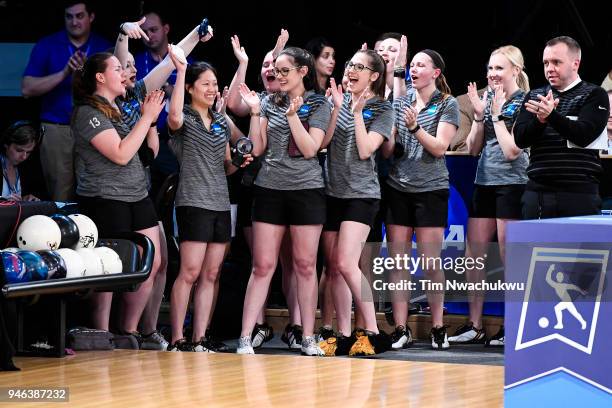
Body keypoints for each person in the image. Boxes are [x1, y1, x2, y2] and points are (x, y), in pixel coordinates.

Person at [111, 17, 213, 350]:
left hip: (142, 183)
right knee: (135, 260)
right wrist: (123, 34)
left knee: (161, 261)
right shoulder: (107, 102)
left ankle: (148, 329)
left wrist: (196, 34)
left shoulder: (138, 92)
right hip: (115, 188)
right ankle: (120, 329)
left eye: (130, 67)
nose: (130, 70)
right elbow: (121, 54)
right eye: (122, 67)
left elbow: (174, 57)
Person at [236, 47, 332, 356]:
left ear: (303, 71)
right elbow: (259, 147)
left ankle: (307, 336)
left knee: (305, 265)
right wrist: (253, 112)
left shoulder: (318, 103)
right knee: (263, 265)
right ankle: (245, 337)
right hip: (269, 189)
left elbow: (310, 149)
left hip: (306, 190)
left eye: (284, 71)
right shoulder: (268, 101)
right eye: (276, 71)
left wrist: (292, 116)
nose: (278, 76)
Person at [71, 52, 165, 343]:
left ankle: (129, 330)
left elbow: (147, 154)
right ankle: (101, 333)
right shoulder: (87, 113)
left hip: (137, 194)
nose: (124, 72)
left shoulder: (121, 108)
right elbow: (121, 154)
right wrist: (147, 117)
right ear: (101, 77)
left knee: (153, 262)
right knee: (109, 266)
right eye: (117, 68)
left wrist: (149, 122)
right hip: (105, 198)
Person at [166, 46, 252, 351]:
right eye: (205, 83)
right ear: (190, 88)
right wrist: (179, 72)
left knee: (212, 273)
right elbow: (173, 115)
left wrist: (240, 161)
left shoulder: (219, 120)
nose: (212, 89)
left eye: (214, 84)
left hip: (220, 203)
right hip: (192, 202)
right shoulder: (182, 118)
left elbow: (226, 165)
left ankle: (200, 337)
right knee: (189, 271)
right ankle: (178, 338)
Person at [226, 32, 304, 350]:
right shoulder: (257, 99)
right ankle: (257, 326)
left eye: (277, 66)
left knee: (292, 262)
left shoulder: (292, 101)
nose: (271, 69)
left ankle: (297, 325)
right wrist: (243, 63)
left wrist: (278, 50)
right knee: (262, 262)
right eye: (266, 65)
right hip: (254, 187)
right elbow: (232, 103)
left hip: (290, 187)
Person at [448, 45, 529, 347]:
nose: (493, 74)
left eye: (499, 68)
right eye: (490, 69)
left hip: (514, 182)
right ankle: (475, 324)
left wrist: (496, 116)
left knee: (510, 257)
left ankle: (512, 326)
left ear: (516, 71)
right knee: (474, 257)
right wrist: (481, 117)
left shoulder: (525, 101)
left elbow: (513, 151)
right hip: (484, 181)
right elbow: (471, 148)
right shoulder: (486, 100)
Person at [381, 49, 459, 350]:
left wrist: (414, 127)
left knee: (430, 261)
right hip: (397, 187)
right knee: (398, 262)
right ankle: (401, 328)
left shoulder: (447, 104)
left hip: (430, 190)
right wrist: (388, 135)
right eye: (411, 65)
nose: (414, 70)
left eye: (421, 66)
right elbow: (389, 151)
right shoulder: (399, 102)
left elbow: (440, 147)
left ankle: (439, 326)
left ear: (435, 73)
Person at [319, 49, 395, 356]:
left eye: (360, 67)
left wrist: (355, 113)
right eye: (350, 65)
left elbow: (366, 150)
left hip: (362, 195)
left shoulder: (381, 109)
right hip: (331, 192)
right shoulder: (334, 100)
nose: (351, 70)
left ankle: (373, 332)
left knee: (346, 263)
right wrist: (338, 109)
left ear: (374, 76)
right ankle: (344, 334)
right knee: (335, 269)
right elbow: (322, 143)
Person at [21, 1, 111, 201]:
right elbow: (27, 89)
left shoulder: (103, 46)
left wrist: (85, 74)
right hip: (57, 129)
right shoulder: (48, 44)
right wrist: (64, 73)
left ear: (91, 17)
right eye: (69, 16)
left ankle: (91, 232)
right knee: (60, 194)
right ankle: (61, 232)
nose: (74, 21)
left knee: (94, 190)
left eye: (80, 16)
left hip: (93, 128)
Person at [514, 36, 610, 219]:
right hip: (537, 193)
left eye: (556, 62)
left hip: (579, 194)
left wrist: (551, 116)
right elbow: (520, 139)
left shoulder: (595, 94)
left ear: (575, 64)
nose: (549, 68)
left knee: (578, 248)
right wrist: (539, 121)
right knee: (534, 247)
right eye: (546, 63)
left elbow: (584, 135)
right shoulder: (535, 95)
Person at [1, 122, 40, 201]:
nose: (24, 157)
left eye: (28, 152)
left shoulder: (27, 167)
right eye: (19, 150)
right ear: (6, 145)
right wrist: (3, 202)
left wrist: (26, 199)